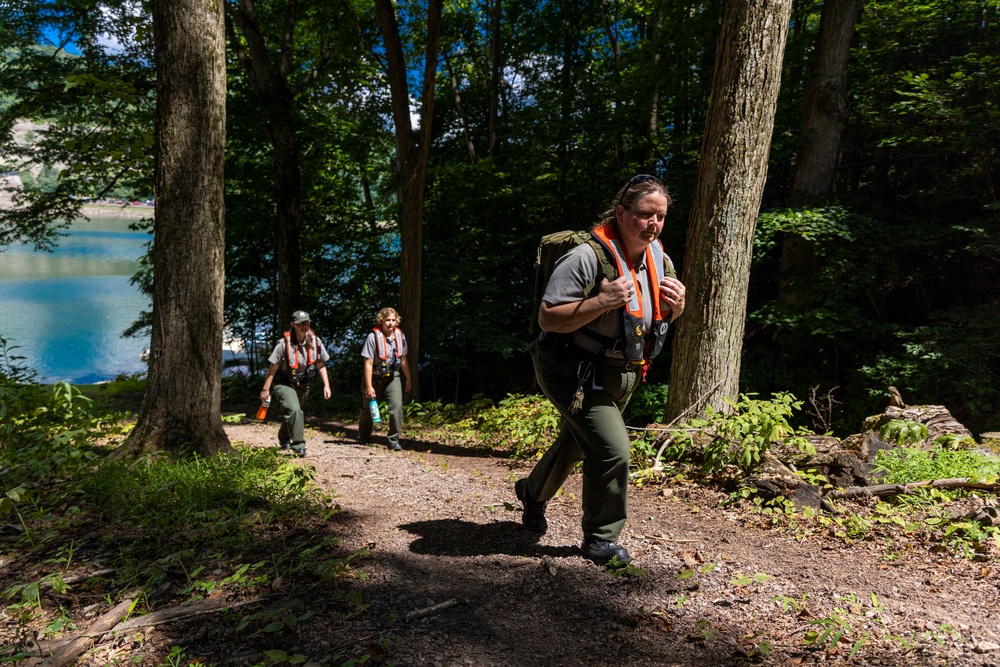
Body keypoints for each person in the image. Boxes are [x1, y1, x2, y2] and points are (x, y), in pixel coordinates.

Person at [517, 174, 686, 566]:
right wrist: (601, 301)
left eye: (660, 216)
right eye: (645, 215)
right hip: (571, 369)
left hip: (623, 371)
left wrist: (679, 306)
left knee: (577, 443)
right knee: (612, 449)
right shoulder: (586, 257)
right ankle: (601, 540)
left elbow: (661, 314)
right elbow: (548, 318)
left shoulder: (659, 256)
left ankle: (532, 492)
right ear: (621, 212)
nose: (653, 224)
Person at [260, 310, 332, 457]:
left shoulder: (316, 342)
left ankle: (283, 437)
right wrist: (265, 390)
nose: (304, 326)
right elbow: (272, 368)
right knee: (295, 411)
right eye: (300, 324)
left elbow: (320, 365)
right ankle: (298, 445)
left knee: (294, 413)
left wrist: (327, 385)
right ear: (293, 325)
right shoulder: (283, 344)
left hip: (303, 382)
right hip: (284, 380)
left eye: (307, 323)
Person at [359, 307, 412, 451]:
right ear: (381, 320)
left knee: (397, 407)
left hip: (392, 376)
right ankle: (364, 437)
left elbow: (403, 359)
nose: (390, 323)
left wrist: (408, 378)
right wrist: (369, 387)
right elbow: (368, 363)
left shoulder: (400, 336)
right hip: (374, 377)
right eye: (387, 320)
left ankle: (393, 440)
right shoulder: (372, 337)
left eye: (393, 320)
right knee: (369, 410)